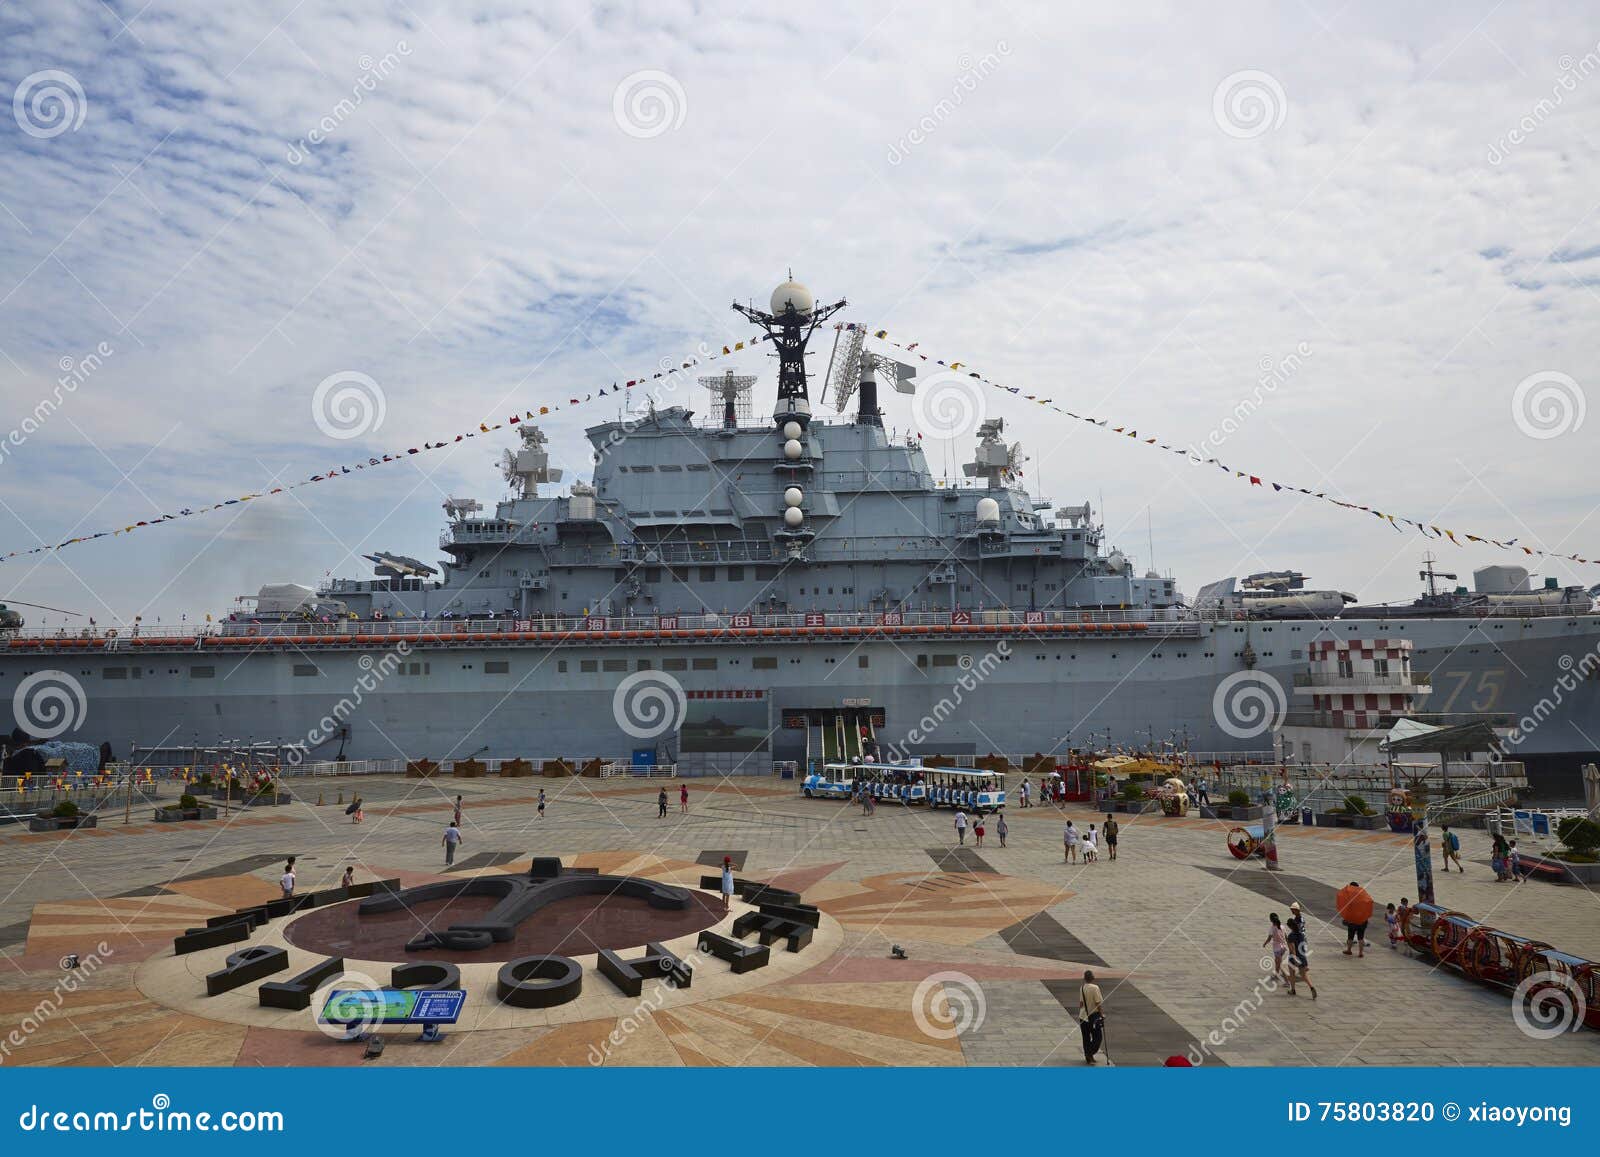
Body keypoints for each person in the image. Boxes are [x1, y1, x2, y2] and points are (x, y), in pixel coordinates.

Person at [1285, 901, 1317, 998]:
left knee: (1291, 973)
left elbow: (1292, 949)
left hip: (1294, 957)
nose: (1291, 911)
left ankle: (1293, 989)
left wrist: (1293, 958)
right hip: (1302, 955)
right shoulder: (1301, 934)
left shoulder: (1291, 936)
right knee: (1304, 976)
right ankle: (1311, 987)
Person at [1336, 880, 1373, 957]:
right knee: (1361, 937)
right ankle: (1360, 953)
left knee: (1350, 936)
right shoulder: (1363, 894)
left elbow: (1346, 907)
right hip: (1362, 920)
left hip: (1352, 920)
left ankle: (1349, 950)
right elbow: (1368, 902)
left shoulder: (1349, 896)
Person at [1078, 970, 1105, 1064]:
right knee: (1098, 1037)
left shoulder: (1082, 987)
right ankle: (1090, 1053)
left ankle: (1088, 1056)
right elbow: (1098, 1002)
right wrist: (1102, 1014)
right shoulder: (1095, 988)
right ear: (1093, 978)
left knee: (1086, 1037)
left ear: (1084, 978)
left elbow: (1081, 1003)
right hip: (1093, 1016)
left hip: (1082, 1016)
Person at [1263, 912, 1287, 979]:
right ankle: (1276, 974)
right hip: (1283, 947)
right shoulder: (1282, 927)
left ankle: (1287, 980)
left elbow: (1269, 938)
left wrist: (1264, 944)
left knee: (1279, 963)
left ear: (1271, 920)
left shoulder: (1272, 928)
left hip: (1277, 948)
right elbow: (1286, 936)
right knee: (1278, 961)